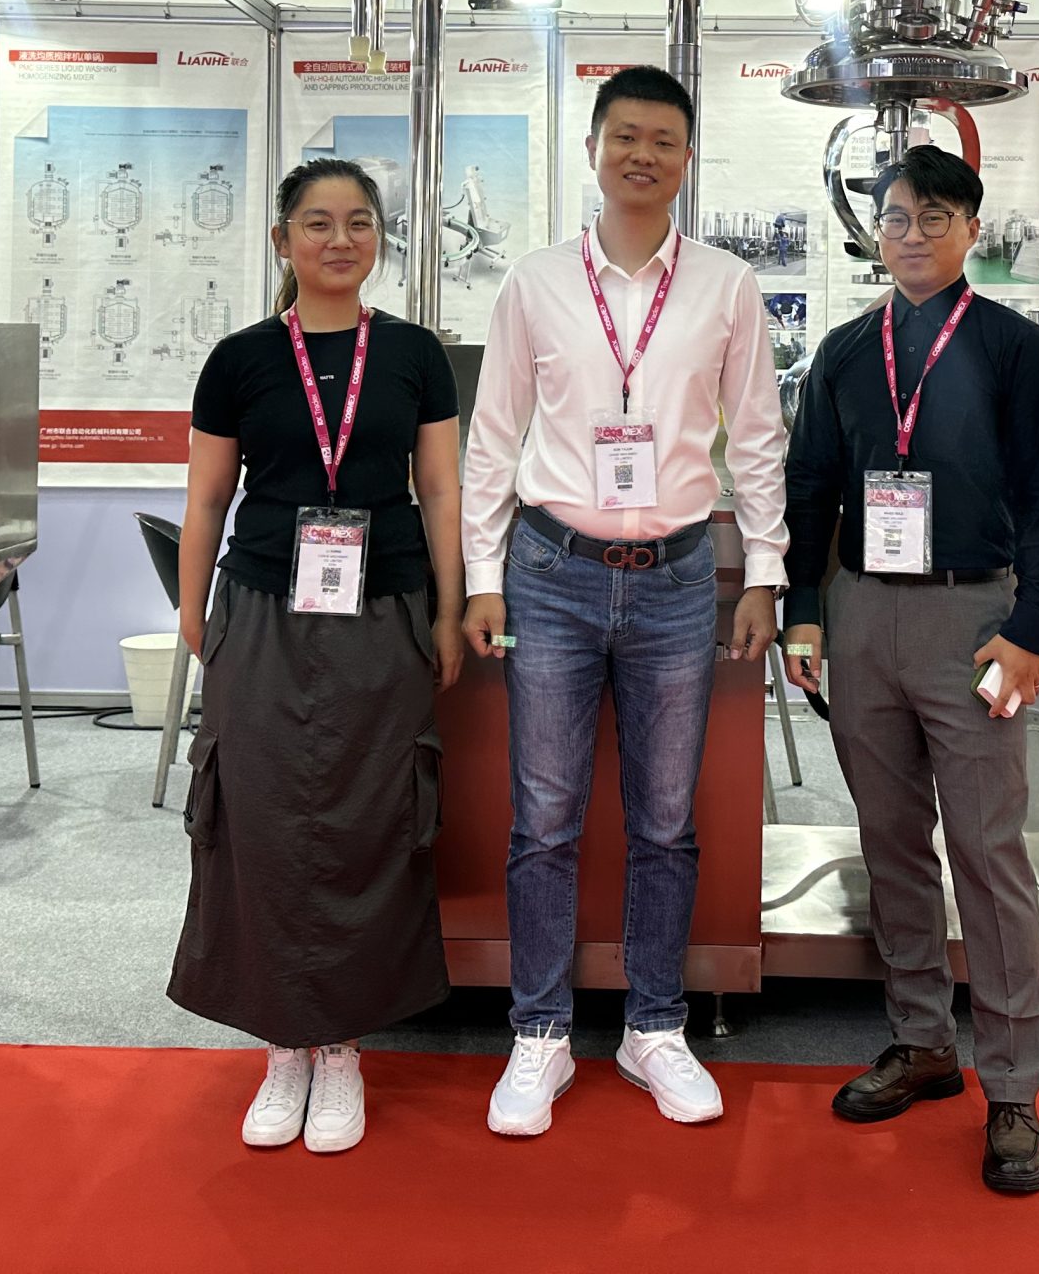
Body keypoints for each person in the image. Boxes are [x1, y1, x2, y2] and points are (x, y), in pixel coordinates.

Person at [459, 66, 788, 1136]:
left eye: (664, 141)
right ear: (595, 148)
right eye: (625, 137)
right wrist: (481, 577)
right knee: (543, 819)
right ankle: (540, 1033)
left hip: (679, 580)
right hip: (550, 574)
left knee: (665, 820)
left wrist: (767, 570)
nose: (643, 155)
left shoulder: (727, 285)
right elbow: (492, 439)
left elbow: (757, 438)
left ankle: (654, 1025)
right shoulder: (535, 282)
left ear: (687, 160)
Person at [780, 146, 1039, 1197]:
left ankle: (1013, 1086)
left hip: (974, 619)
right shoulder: (846, 351)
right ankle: (921, 1039)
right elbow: (811, 488)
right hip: (862, 614)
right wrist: (804, 612)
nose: (910, 234)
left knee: (989, 853)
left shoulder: (1011, 345)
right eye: (895, 217)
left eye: (933, 216)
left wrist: (1032, 627)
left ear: (970, 231)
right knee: (891, 840)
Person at [169, 157, 467, 1156]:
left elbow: (441, 489)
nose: (341, 240)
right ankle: (282, 1044)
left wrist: (448, 608)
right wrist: (192, 611)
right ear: (282, 241)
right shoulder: (241, 359)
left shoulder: (415, 354)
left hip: (384, 607)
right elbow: (208, 496)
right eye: (317, 223)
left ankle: (341, 1046)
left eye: (359, 223)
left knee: (370, 819)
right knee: (256, 818)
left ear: (379, 237)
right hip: (262, 607)